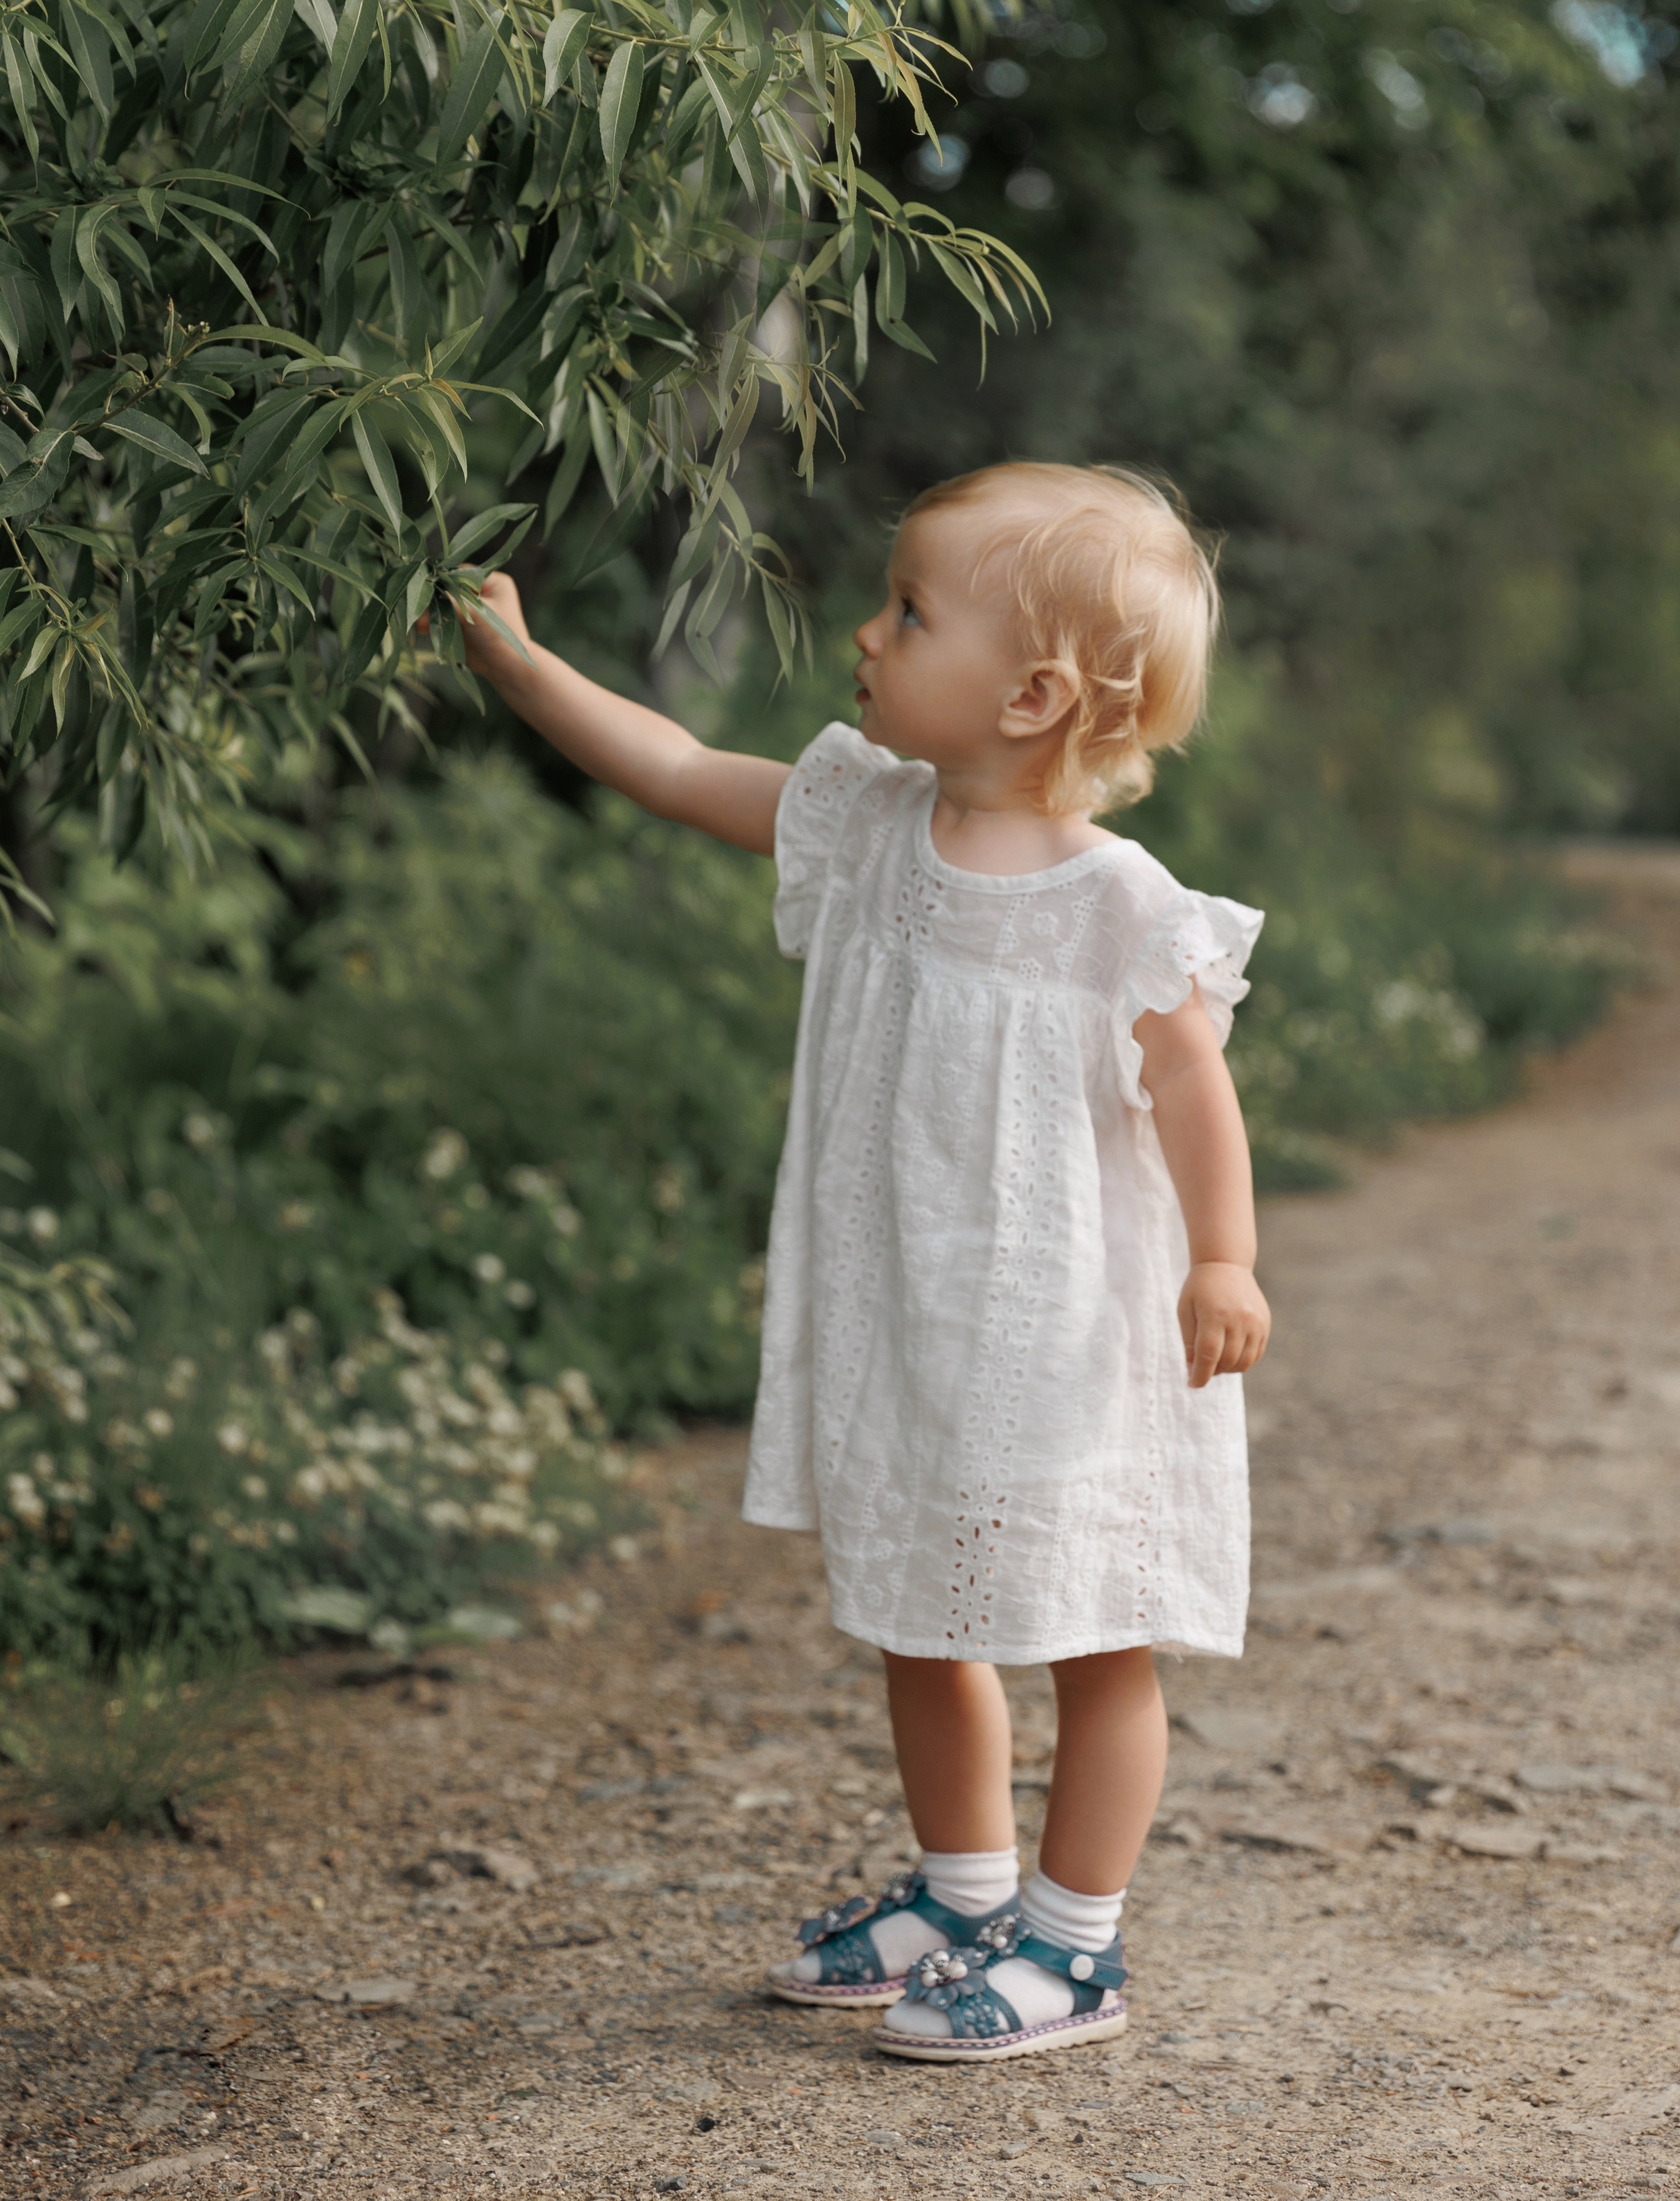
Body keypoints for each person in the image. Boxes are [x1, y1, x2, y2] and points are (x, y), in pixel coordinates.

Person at [451, 460, 1270, 2064]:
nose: (866, 631)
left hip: (1059, 1336)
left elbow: (1190, 1082)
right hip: (914, 1320)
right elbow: (681, 765)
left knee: (1094, 1631)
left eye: (908, 610)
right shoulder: (871, 825)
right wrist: (527, 669)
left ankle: (1074, 1944)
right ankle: (964, 1897)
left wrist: (1222, 1260)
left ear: (1030, 692)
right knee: (922, 1609)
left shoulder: (1118, 905)